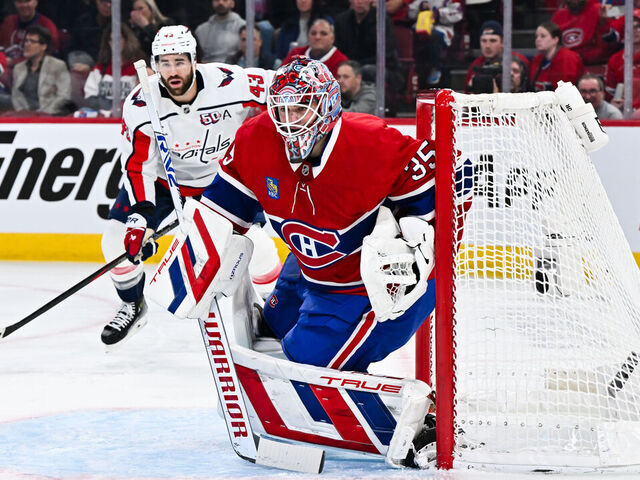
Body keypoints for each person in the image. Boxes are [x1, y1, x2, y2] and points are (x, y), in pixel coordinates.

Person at [200, 57, 436, 372]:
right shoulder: (255, 139)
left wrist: (418, 236)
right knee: (275, 324)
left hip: (369, 289)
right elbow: (221, 211)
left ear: (327, 107)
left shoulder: (371, 143)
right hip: (312, 270)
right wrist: (197, 259)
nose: (289, 121)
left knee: (309, 358)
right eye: (281, 110)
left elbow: (440, 190)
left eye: (299, 109)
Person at [100, 25, 279, 346]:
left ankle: (276, 308)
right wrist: (141, 215)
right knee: (115, 242)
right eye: (165, 64)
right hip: (165, 186)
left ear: (194, 61)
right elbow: (139, 165)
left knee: (261, 249)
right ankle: (132, 304)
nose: (173, 71)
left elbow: (281, 89)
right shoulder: (142, 103)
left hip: (222, 182)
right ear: (154, 65)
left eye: (180, 61)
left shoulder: (228, 82)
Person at [334, 0, 402, 89]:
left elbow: (386, 54)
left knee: (367, 70)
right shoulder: (341, 20)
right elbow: (338, 49)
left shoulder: (382, 20)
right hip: (349, 65)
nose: (359, 2)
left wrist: (355, 66)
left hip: (381, 67)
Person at [80, 24, 146, 113]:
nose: (115, 43)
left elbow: (144, 97)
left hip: (131, 114)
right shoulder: (100, 68)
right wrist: (109, 109)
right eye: (111, 40)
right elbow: (90, 97)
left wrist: (122, 108)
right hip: (104, 117)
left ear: (126, 40)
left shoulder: (138, 67)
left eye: (118, 39)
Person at [11, 25, 70, 115]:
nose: (27, 44)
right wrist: (23, 113)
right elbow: (16, 95)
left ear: (43, 46)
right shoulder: (18, 68)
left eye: (32, 41)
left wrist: (45, 114)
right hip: (24, 117)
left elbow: (64, 95)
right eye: (26, 41)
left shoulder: (58, 66)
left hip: (50, 116)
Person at [465, 20, 530, 94]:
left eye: (493, 41)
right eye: (484, 41)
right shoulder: (476, 65)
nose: (487, 46)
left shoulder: (518, 61)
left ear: (502, 42)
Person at [0, 0, 60, 70]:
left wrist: (14, 62)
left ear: (36, 2)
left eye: (27, 1)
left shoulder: (47, 26)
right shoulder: (8, 22)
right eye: (19, 2)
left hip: (35, 71)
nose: (24, 5)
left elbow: (48, 57)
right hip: (5, 69)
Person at [551, 0, 614, 65]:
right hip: (565, 64)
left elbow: (606, 48)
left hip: (594, 65)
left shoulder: (599, 11)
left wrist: (604, 24)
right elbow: (551, 48)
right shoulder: (559, 16)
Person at [282, 18, 348, 77]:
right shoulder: (296, 53)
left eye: (323, 33)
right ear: (308, 37)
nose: (317, 37)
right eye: (313, 33)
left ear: (332, 38)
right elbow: (279, 76)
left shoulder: (340, 61)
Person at [530, 21, 583, 92]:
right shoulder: (537, 59)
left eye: (543, 36)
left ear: (555, 39)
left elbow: (565, 91)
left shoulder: (568, 58)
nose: (538, 40)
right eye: (536, 36)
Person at [605, 9, 640, 111]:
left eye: (638, 26)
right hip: (623, 110)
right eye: (630, 27)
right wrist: (614, 103)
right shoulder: (615, 59)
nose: (635, 31)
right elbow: (610, 93)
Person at [68, 0, 113, 74]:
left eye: (111, 1)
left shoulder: (122, 24)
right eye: (103, 1)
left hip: (114, 68)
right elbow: (72, 49)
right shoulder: (83, 22)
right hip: (86, 66)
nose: (108, 5)